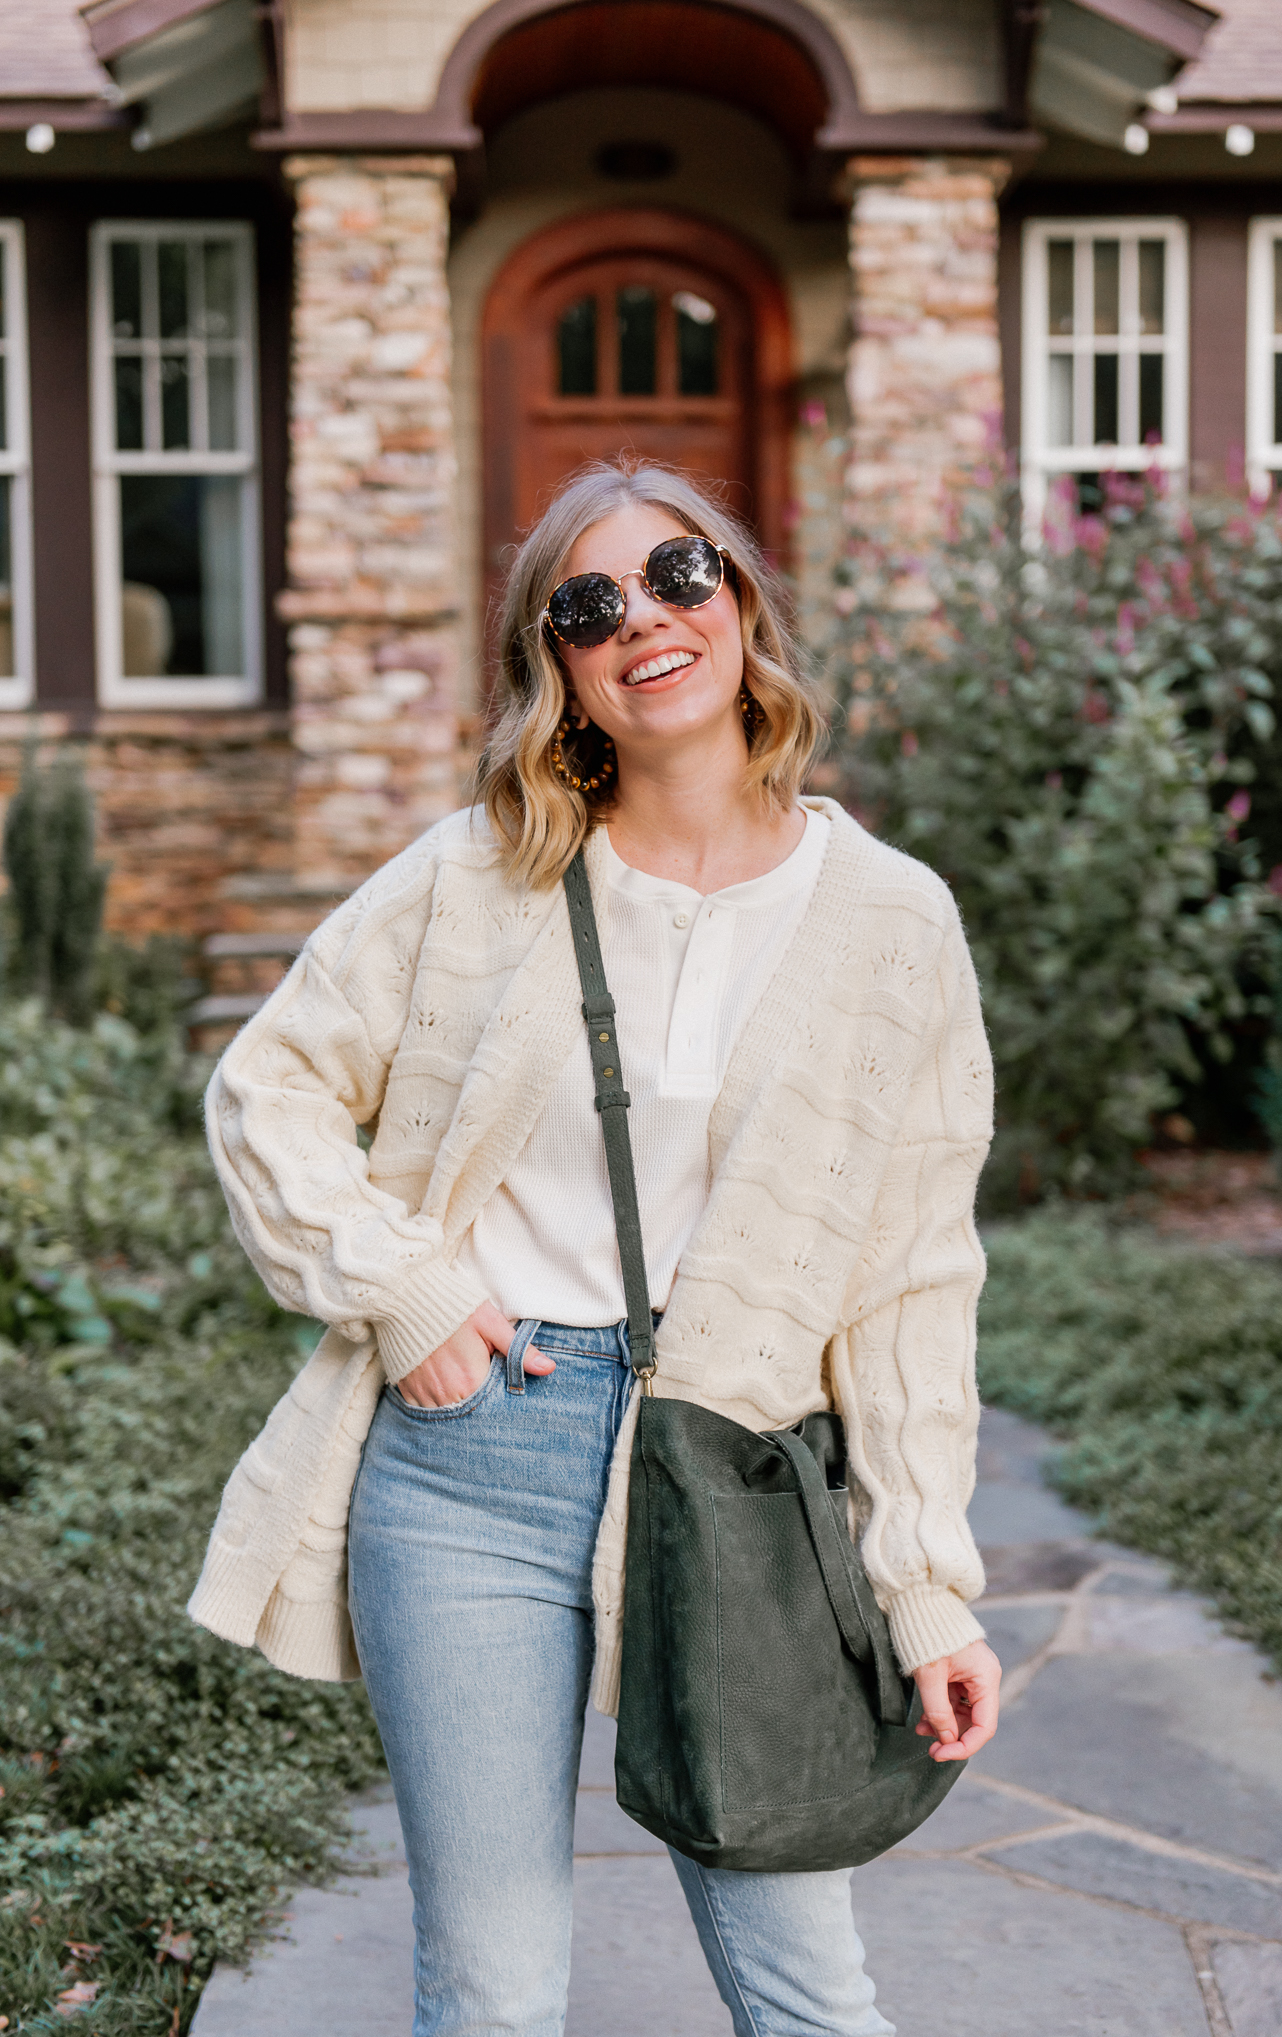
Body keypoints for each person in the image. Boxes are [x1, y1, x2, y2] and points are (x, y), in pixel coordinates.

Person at [191, 460, 1002, 2037]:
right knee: (491, 1993)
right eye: (589, 606)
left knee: (810, 1992)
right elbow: (266, 1087)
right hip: (474, 1465)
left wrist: (925, 1586)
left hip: (740, 1474)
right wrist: (405, 1285)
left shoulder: (895, 922)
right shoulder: (477, 876)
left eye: (678, 574)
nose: (645, 619)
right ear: (556, 669)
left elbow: (915, 1283)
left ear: (742, 601)